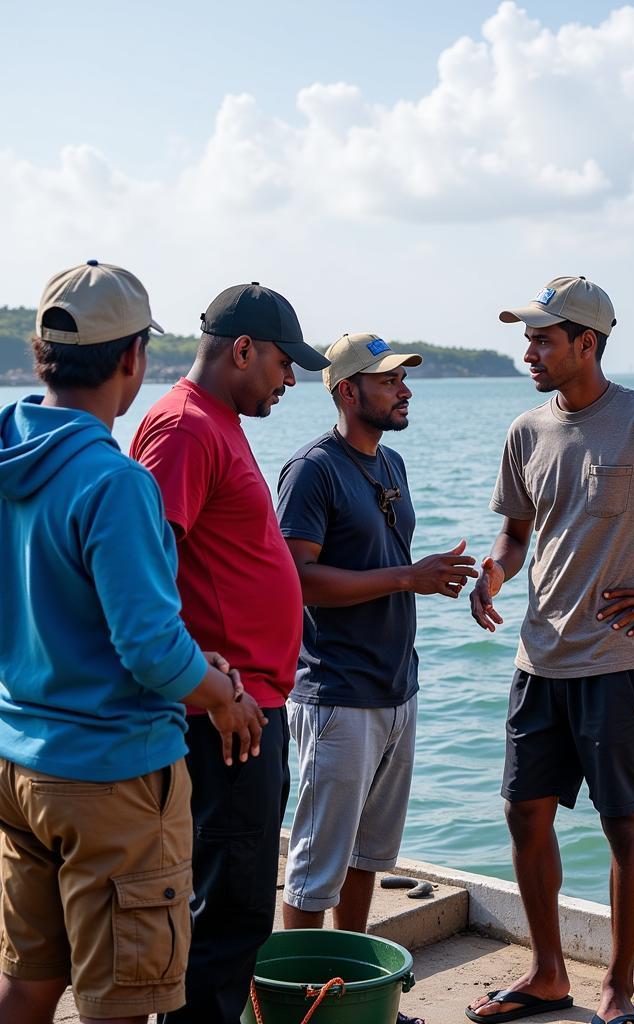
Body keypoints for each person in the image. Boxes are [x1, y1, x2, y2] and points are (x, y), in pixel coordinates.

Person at [467, 277, 634, 1024]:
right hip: (538, 661)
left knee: (624, 821)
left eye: (543, 339)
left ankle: (617, 988)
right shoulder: (526, 431)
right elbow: (518, 533)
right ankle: (548, 973)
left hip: (617, 664)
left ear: (587, 343)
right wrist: (493, 571)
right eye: (528, 338)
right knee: (525, 815)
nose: (529, 351)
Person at [0, 262, 263, 1024]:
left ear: (43, 354)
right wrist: (222, 692)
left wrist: (189, 661)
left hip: (22, 765)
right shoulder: (112, 481)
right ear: (133, 359)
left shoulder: (13, 460)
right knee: (122, 1003)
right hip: (110, 781)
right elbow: (149, 650)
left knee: (28, 981)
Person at [130, 283, 329, 1024]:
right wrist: (208, 689)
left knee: (235, 908)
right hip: (221, 718)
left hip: (248, 708)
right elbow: (144, 574)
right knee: (226, 917)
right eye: (283, 363)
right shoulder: (184, 427)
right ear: (242, 349)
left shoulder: (217, 422)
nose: (291, 379)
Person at [277, 334, 478, 1022]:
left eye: (403, 380)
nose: (404, 390)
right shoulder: (312, 470)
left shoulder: (390, 462)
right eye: (389, 380)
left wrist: (427, 577)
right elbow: (296, 579)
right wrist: (405, 577)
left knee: (368, 856)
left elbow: (379, 566)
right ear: (346, 392)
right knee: (316, 868)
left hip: (398, 689)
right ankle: (298, 1009)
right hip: (337, 695)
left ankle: (351, 1001)